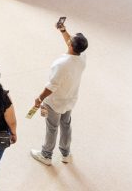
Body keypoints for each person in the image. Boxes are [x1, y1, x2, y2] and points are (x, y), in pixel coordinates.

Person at [30, 23, 88, 166]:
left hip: (54, 102)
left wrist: (39, 98)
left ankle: (46, 155)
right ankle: (66, 154)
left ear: (70, 46)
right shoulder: (82, 57)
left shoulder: (62, 64)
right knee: (66, 125)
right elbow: (70, 42)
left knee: (52, 128)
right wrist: (63, 30)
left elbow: (52, 86)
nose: (69, 38)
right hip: (70, 99)